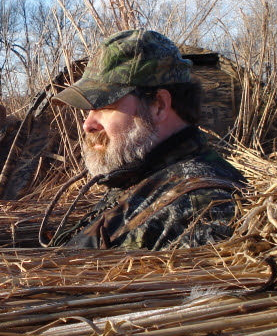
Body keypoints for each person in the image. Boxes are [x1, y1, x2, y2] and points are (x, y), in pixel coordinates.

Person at [46, 29, 245, 250]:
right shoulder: (141, 176)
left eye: (105, 106)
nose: (88, 124)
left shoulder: (203, 208)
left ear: (159, 105)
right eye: (90, 109)